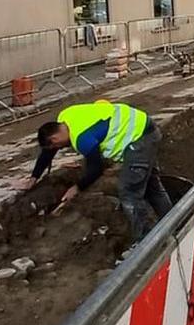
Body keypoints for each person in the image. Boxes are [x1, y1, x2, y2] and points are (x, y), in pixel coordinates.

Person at [21, 100, 172, 242]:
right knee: (152, 187)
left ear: (54, 138)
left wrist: (77, 187)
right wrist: (34, 177)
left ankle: (146, 240)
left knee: (129, 192)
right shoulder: (65, 116)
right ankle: (172, 222)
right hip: (144, 127)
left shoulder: (82, 139)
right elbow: (48, 152)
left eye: (56, 147)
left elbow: (96, 168)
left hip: (139, 140)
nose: (60, 149)